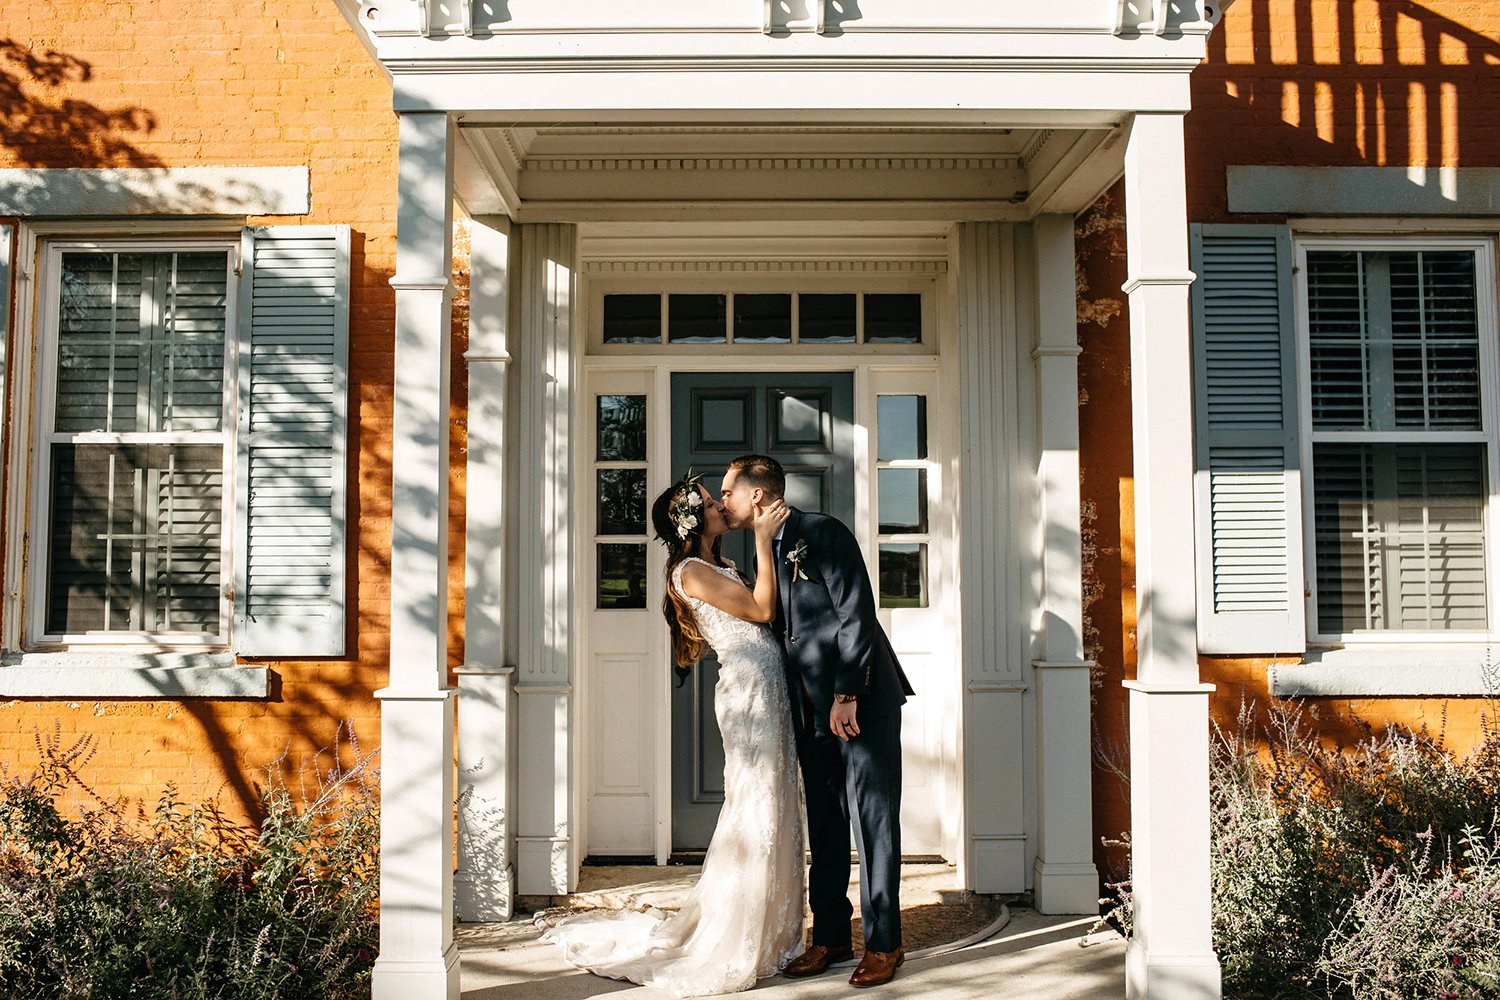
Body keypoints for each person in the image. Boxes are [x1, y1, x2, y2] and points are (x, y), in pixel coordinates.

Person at [545, 473, 804, 997]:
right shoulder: (692, 570)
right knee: (754, 801)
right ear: (692, 521)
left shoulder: (719, 565)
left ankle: (773, 926)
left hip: (767, 686)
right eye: (711, 502)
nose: (720, 506)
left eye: (718, 498)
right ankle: (738, 931)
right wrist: (762, 541)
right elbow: (761, 610)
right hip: (749, 694)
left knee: (774, 799)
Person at [719, 454, 915, 989]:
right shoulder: (762, 551)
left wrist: (848, 692)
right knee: (826, 825)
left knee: (873, 822)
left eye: (728, 494)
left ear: (757, 495)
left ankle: (884, 944)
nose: (722, 503)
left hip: (861, 703)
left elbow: (856, 613)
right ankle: (830, 937)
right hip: (808, 711)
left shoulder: (822, 532)